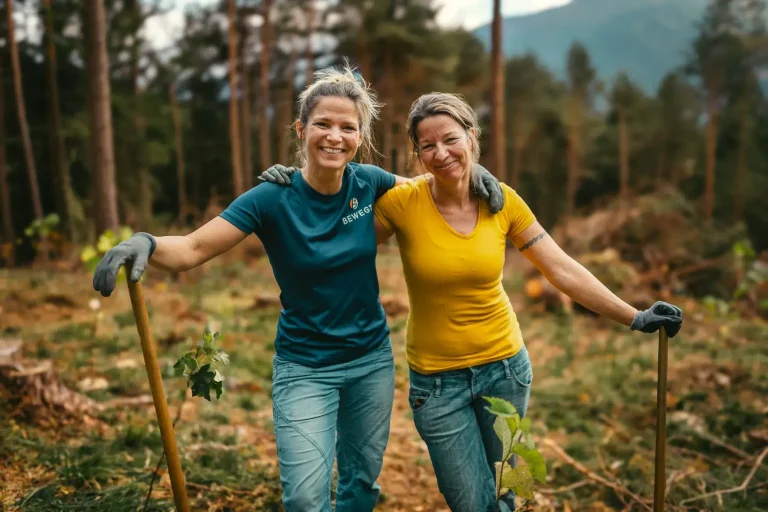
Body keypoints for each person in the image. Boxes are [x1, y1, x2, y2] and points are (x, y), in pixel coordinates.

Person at [91, 67, 505, 512]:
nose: (335, 136)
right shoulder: (271, 198)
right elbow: (193, 247)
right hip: (305, 366)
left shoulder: (369, 181)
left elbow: (433, 189)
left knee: (360, 485)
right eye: (323, 124)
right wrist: (148, 243)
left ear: (360, 135)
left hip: (370, 363)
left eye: (348, 127)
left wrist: (474, 170)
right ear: (301, 129)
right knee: (306, 499)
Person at [265, 92, 683, 512]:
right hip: (437, 384)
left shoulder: (501, 201)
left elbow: (562, 270)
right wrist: (301, 185)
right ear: (418, 154)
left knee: (507, 491)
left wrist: (634, 316)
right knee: (471, 502)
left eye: (451, 139)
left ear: (472, 135)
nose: (440, 153)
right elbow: (338, 236)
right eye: (427, 146)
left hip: (505, 368)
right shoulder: (403, 204)